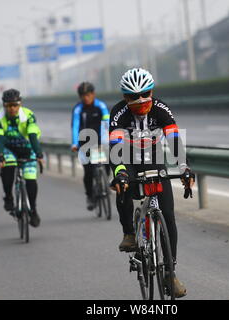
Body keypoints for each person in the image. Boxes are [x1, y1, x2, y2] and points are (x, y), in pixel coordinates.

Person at [109, 68, 195, 298]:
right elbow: (115, 150)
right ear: (125, 97)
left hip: (154, 161)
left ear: (152, 91)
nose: (139, 101)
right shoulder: (118, 113)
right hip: (127, 161)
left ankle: (170, 272)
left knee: (168, 214)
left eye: (144, 94)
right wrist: (120, 173)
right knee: (122, 185)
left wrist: (184, 168)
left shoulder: (161, 109)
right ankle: (129, 232)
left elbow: (174, 139)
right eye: (133, 97)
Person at [0, 88, 43, 227]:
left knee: (31, 179)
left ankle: (33, 209)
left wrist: (38, 153)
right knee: (8, 167)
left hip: (27, 147)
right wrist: (0, 154)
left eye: (15, 105)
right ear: (4, 105)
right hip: (9, 148)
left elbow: (32, 136)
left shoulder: (28, 115)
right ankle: (8, 196)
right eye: (9, 105)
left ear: (20, 104)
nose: (12, 108)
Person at [71, 82, 110, 210]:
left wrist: (106, 140)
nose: (85, 98)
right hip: (84, 143)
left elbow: (106, 123)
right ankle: (89, 195)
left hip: (100, 140)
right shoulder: (78, 109)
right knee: (88, 171)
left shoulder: (101, 106)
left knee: (106, 164)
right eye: (82, 95)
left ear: (93, 94)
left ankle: (104, 182)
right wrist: (75, 143)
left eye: (88, 95)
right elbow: (75, 126)